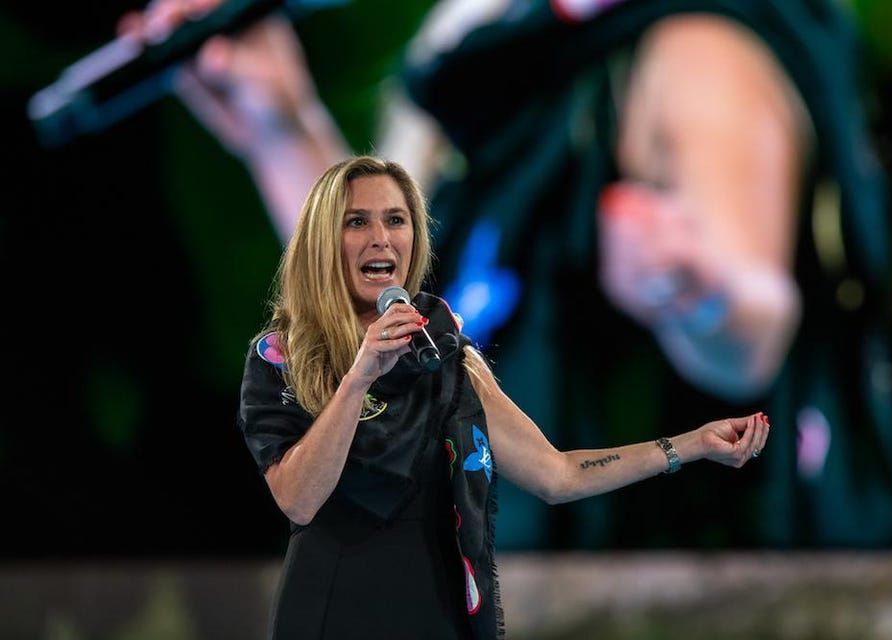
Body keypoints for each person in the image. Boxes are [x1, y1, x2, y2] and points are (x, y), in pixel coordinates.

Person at [125, 0, 892, 547]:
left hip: (691, 586)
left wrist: (688, 285)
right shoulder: (505, 46)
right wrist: (280, 124)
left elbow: (754, 325)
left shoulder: (699, 52)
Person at [237, 155, 769, 638]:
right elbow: (298, 499)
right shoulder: (282, 358)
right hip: (333, 613)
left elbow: (558, 475)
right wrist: (359, 376)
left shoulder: (450, 360)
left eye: (395, 220)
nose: (381, 238)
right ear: (324, 242)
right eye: (357, 222)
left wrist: (690, 445)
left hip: (438, 615)